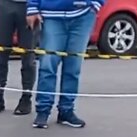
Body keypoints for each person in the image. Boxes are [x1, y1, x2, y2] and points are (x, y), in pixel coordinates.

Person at [26, 0, 102, 129]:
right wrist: (32, 7)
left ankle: (66, 110)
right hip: (51, 15)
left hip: (83, 15)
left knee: (74, 66)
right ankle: (43, 111)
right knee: (48, 65)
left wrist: (96, 4)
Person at [0, 0, 37, 115]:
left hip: (28, 5)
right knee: (0, 52)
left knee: (28, 54)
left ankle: (26, 97)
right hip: (3, 4)